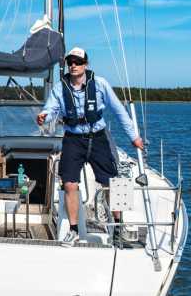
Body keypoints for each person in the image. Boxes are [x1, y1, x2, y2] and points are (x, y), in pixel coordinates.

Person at [35, 47, 144, 243]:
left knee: (111, 182)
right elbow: (51, 109)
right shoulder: (60, 88)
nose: (73, 65)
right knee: (69, 184)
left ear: (86, 64)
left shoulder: (100, 84)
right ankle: (74, 230)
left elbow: (119, 111)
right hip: (73, 138)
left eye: (77, 62)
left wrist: (134, 137)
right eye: (70, 62)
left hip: (98, 137)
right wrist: (44, 116)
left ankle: (119, 226)